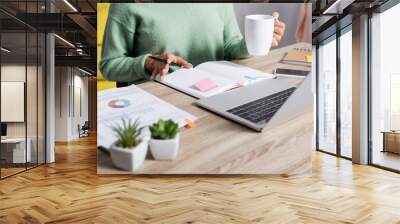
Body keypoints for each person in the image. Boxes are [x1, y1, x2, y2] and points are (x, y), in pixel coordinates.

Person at [100, 3, 285, 85]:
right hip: (160, 99)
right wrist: (148, 63)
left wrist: (255, 41)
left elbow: (230, 46)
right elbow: (110, 65)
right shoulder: (126, 5)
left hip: (215, 91)